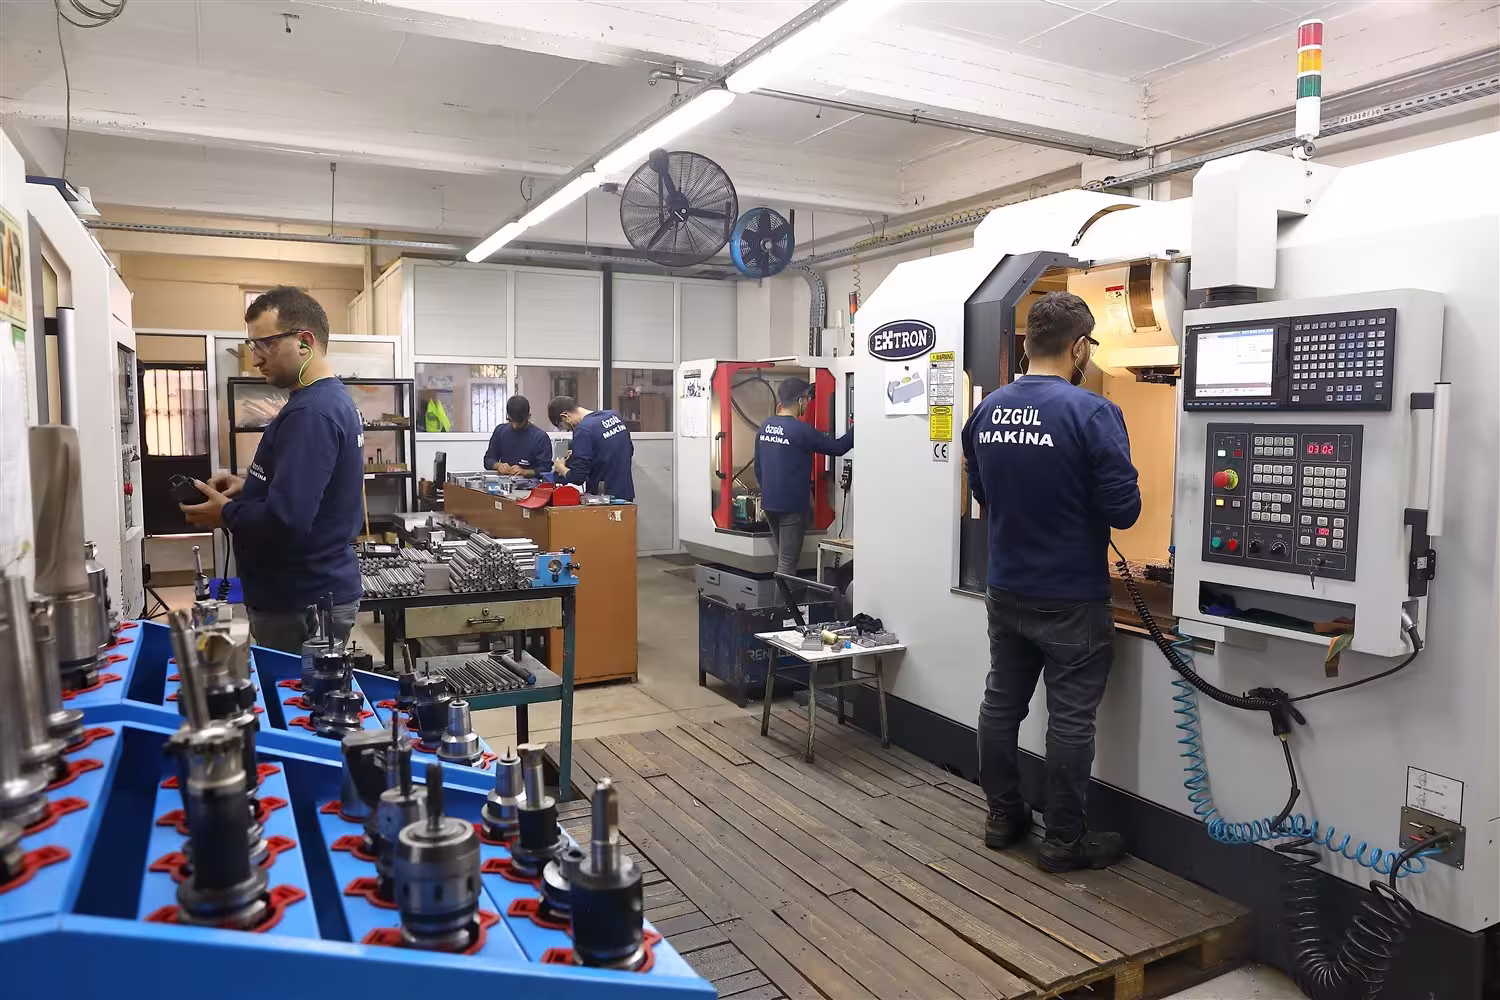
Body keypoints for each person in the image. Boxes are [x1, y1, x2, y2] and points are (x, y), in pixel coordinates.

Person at [960, 290, 1141, 873]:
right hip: (1071, 598)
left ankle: (1003, 816)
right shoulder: (1093, 412)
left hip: (1006, 588)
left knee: (1000, 704)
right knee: (1069, 720)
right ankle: (1063, 840)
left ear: (1028, 343)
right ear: (1080, 347)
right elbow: (1125, 510)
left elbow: (983, 490)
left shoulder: (987, 410)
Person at [180, 286, 365, 653]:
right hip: (306, 592)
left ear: (304, 342)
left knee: (294, 689)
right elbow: (313, 486)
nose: (256, 359)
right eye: (253, 346)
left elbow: (287, 520)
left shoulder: (311, 412)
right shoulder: (324, 401)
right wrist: (249, 485)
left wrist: (226, 513)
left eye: (265, 345)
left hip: (301, 600)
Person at [753, 377, 853, 577]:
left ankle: (790, 597)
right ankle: (785, 599)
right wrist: (861, 425)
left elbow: (758, 468)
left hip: (770, 504)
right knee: (787, 564)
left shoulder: (765, 426)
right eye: (807, 399)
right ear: (800, 400)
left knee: (783, 559)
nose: (808, 403)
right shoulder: (801, 430)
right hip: (792, 507)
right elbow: (839, 447)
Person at [547, 396, 635, 501]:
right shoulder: (615, 416)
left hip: (604, 500)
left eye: (562, 426)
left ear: (565, 417)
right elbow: (628, 449)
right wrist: (581, 453)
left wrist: (560, 467)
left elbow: (578, 477)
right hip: (625, 494)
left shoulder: (583, 429)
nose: (568, 430)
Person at [483, 395, 552, 478]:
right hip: (505, 481)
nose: (515, 426)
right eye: (511, 421)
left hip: (529, 482)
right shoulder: (500, 431)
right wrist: (498, 465)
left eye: (519, 422)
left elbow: (545, 469)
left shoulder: (540, 438)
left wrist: (525, 472)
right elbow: (488, 460)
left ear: (528, 416)